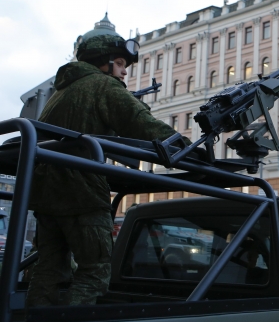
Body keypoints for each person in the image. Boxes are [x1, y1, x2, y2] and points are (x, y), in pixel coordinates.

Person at [26, 32, 189, 307]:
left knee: (48, 269)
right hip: (82, 191)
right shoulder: (103, 86)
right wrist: (186, 147)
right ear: (105, 61)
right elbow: (141, 123)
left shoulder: (61, 92)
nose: (125, 71)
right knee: (95, 271)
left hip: (45, 194)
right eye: (122, 63)